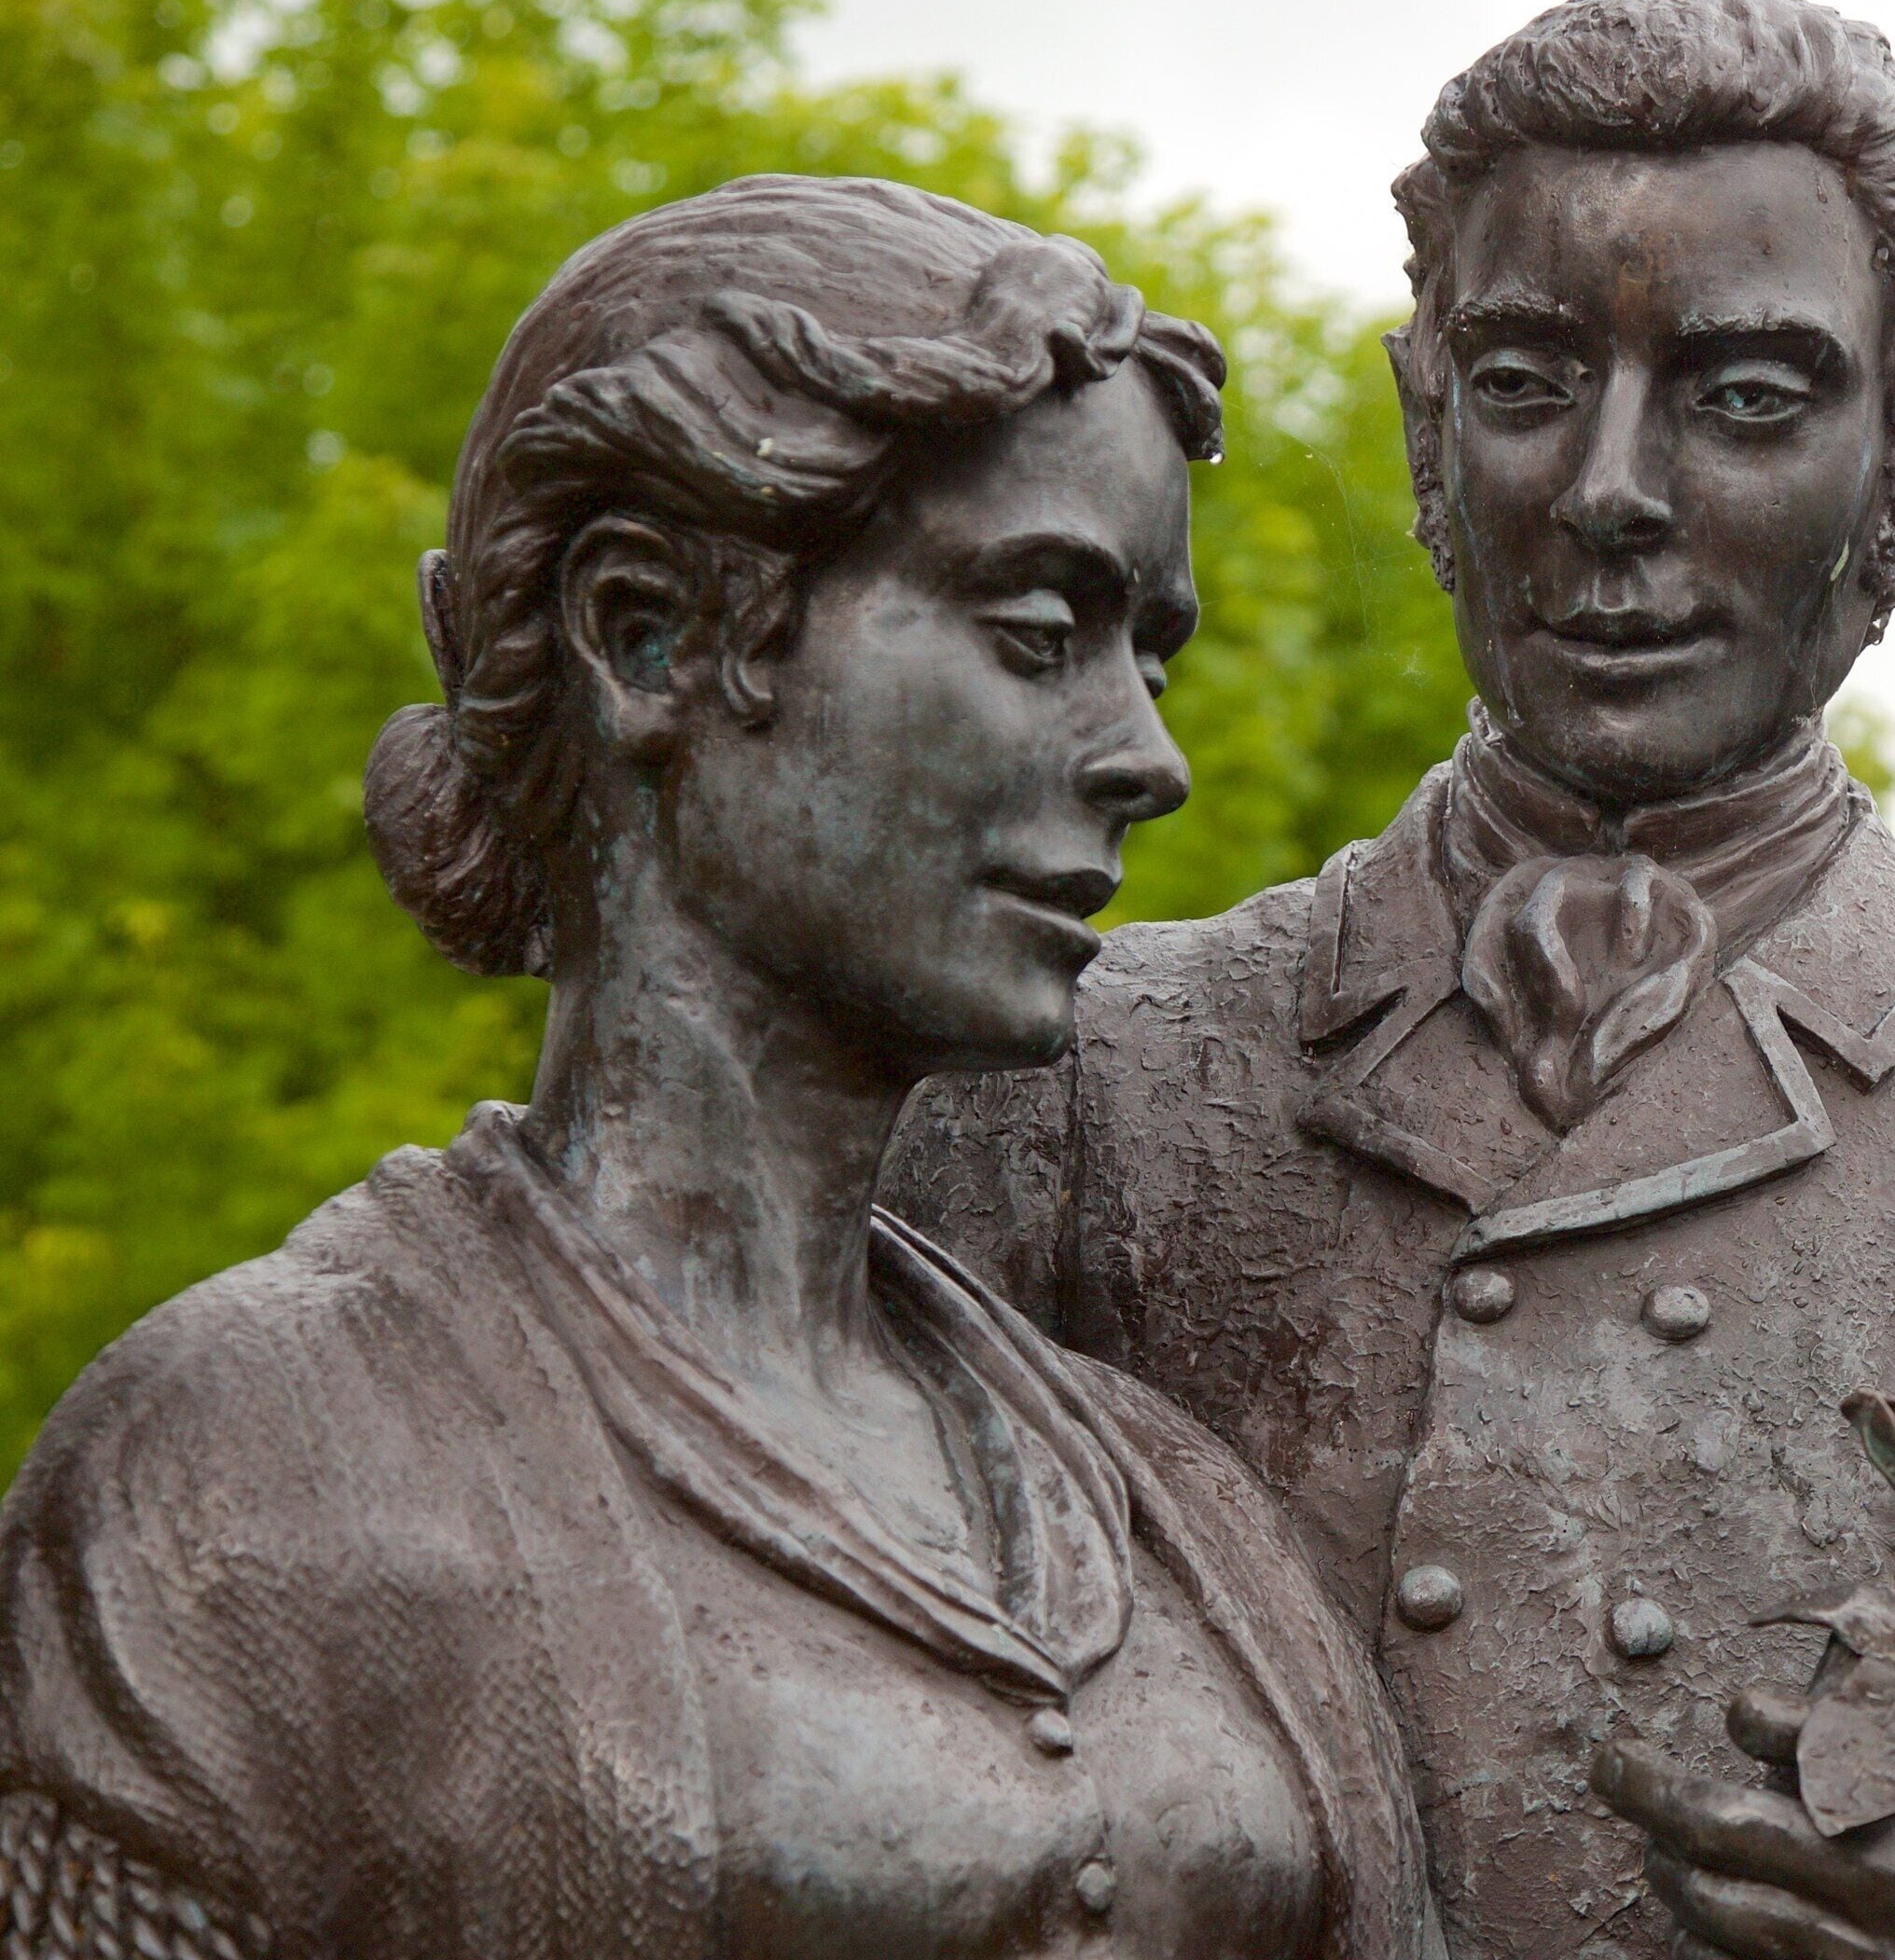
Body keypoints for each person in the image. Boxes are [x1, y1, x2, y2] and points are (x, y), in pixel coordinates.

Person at [887, 0, 1895, 1960]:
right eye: (1526, 381)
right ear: (1423, 422)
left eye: (1744, 399)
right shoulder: (1083, 1066)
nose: (1611, 490)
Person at [0, 175, 1435, 1960]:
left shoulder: (1177, 1516)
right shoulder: (247, 1473)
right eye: (1038, 634)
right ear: (647, 636)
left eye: (1150, 659)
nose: (1150, 758)